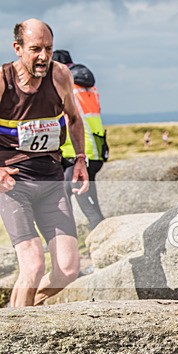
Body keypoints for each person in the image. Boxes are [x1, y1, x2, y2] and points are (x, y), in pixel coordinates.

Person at [0, 19, 89, 306]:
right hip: (14, 184)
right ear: (18, 48)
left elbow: (74, 118)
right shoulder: (2, 81)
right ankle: (13, 338)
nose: (43, 57)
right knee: (34, 266)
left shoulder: (61, 75)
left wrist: (79, 159)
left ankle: (19, 316)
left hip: (51, 181)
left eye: (48, 49)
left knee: (68, 270)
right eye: (35, 49)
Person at [52, 50, 107, 230]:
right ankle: (63, 235)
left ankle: (94, 238)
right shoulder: (90, 88)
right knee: (77, 193)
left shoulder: (64, 84)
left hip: (76, 150)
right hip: (96, 148)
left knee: (78, 196)